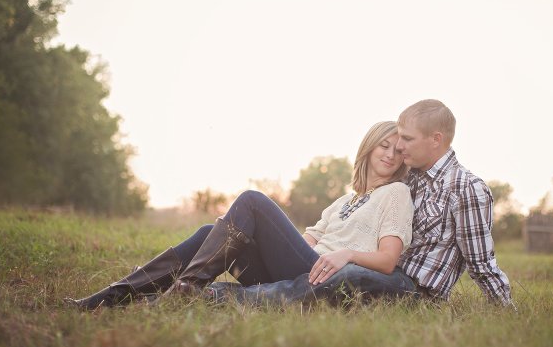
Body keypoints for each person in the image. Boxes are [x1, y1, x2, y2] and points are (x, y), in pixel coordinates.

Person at [66, 121, 414, 310]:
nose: (390, 155)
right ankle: (112, 295)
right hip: (302, 265)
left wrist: (347, 254)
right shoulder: (342, 201)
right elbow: (305, 242)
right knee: (207, 231)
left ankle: (185, 287)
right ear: (368, 147)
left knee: (252, 200)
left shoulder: (396, 194)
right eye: (384, 145)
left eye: (398, 151)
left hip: (322, 277)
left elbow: (387, 261)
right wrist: (270, 243)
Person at [207, 99, 513, 307]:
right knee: (337, 274)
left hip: (415, 291)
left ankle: (221, 296)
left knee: (346, 275)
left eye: (406, 139)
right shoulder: (411, 178)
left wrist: (506, 311)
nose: (398, 148)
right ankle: (189, 285)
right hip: (384, 273)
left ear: (435, 139)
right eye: (393, 142)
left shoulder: (467, 188)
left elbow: (482, 264)